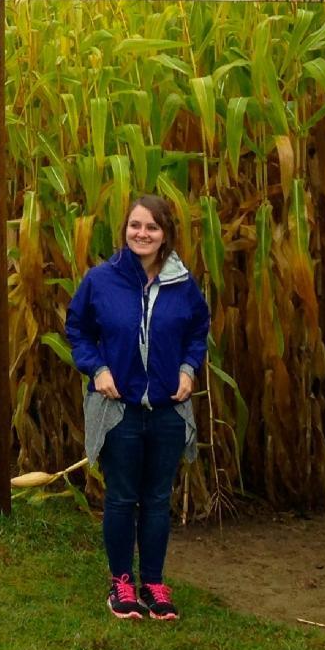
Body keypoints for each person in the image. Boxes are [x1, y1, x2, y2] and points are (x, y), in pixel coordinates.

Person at [64, 193, 210, 622]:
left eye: (152, 228)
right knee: (123, 497)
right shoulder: (101, 280)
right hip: (119, 407)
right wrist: (98, 369)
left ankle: (154, 583)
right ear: (124, 230)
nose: (142, 234)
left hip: (167, 409)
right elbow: (78, 330)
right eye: (135, 226)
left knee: (158, 499)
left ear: (165, 235)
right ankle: (121, 582)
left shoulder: (183, 284)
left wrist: (187, 368)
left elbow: (197, 331)